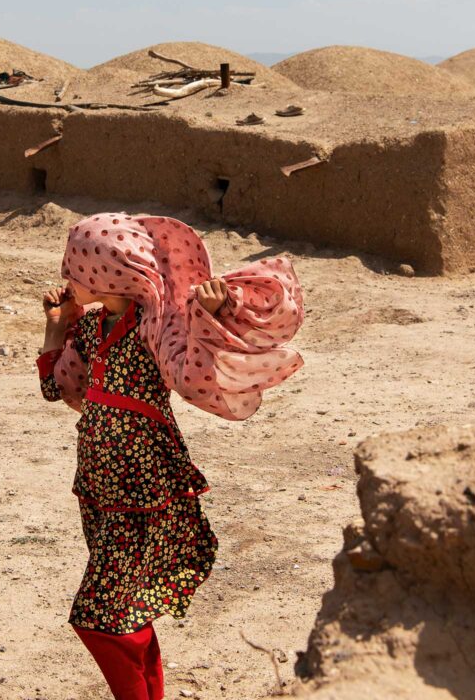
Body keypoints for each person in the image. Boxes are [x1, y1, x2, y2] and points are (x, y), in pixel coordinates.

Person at [37, 212, 304, 700]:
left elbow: (194, 372)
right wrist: (58, 331)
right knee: (126, 610)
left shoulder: (155, 324)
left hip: (146, 485)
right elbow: (56, 392)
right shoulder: (93, 328)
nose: (67, 277)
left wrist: (215, 311)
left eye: (75, 267)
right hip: (98, 483)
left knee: (101, 619)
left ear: (106, 274)